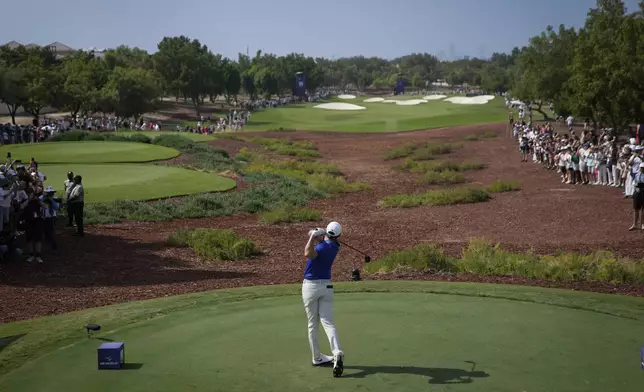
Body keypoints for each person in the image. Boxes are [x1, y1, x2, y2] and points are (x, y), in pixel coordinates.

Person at [302, 221, 345, 377]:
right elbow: (325, 240)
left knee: (312, 323)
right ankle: (337, 350)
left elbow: (307, 253)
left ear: (326, 233)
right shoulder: (335, 247)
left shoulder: (319, 248)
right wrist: (316, 234)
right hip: (326, 288)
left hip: (310, 287)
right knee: (328, 322)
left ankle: (317, 357)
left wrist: (312, 237)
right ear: (338, 236)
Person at [41, 186, 59, 250]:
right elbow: (39, 202)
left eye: (51, 193)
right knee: (45, 231)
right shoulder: (42, 198)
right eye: (48, 193)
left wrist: (51, 200)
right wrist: (44, 197)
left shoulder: (55, 199)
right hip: (43, 217)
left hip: (51, 217)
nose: (49, 194)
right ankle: (47, 243)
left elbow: (56, 207)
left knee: (51, 231)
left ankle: (53, 244)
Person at [631, 162, 644, 230]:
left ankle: (642, 224)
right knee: (636, 209)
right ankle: (634, 224)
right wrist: (635, 184)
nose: (642, 169)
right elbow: (634, 182)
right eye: (641, 168)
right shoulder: (637, 174)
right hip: (637, 192)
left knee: (643, 209)